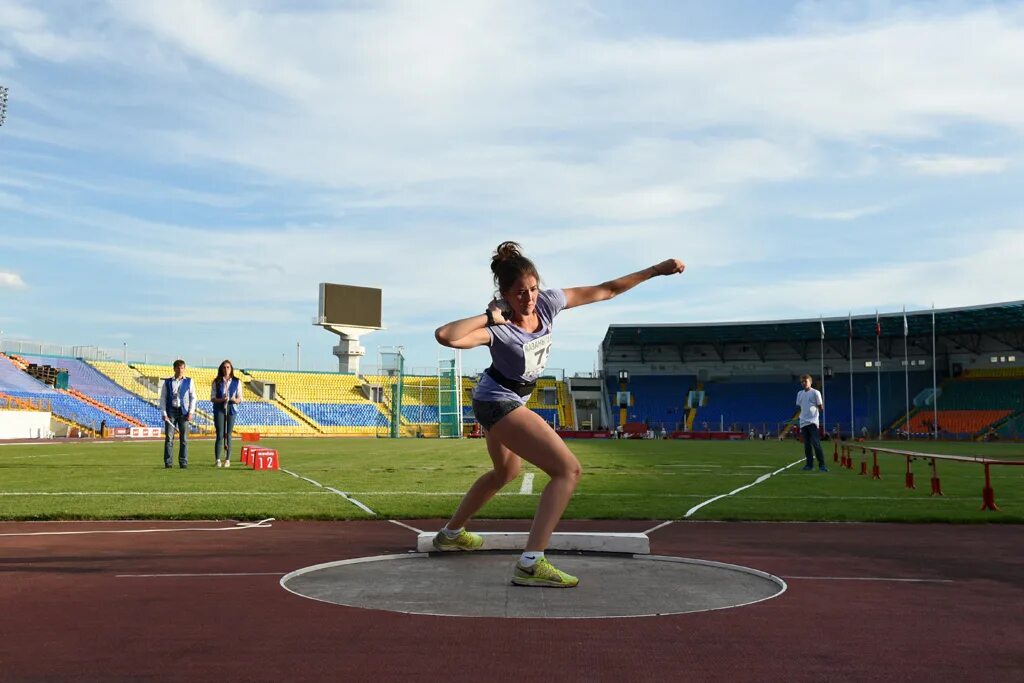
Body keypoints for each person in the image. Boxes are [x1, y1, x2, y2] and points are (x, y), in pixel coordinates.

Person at [432, 241, 685, 587]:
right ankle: (531, 563)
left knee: (506, 472)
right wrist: (489, 316)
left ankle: (451, 533)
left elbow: (606, 290)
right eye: (519, 293)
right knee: (568, 470)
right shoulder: (498, 327)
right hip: (496, 400)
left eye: (533, 289)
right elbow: (445, 336)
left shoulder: (549, 303)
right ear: (504, 294)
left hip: (508, 399)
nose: (529, 298)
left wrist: (655, 270)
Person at [158, 359, 196, 469]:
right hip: (171, 412)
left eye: (182, 368)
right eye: (178, 368)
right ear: (174, 368)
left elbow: (193, 398)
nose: (180, 370)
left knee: (184, 439)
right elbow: (163, 398)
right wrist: (164, 413)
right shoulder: (168, 382)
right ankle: (168, 462)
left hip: (184, 412)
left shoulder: (189, 381)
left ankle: (183, 462)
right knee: (169, 438)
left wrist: (191, 412)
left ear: (184, 369)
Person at [211, 359, 242, 468]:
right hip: (219, 408)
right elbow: (213, 398)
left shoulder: (237, 381)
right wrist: (221, 399)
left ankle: (227, 459)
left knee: (228, 434)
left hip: (231, 408)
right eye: (224, 367)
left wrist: (234, 399)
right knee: (220, 435)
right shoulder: (216, 381)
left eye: (228, 367)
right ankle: (218, 459)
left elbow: (240, 398)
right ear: (221, 369)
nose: (226, 369)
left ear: (231, 368)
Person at [796, 374, 826, 472]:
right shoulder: (799, 393)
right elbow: (800, 406)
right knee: (807, 445)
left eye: (806, 381)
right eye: (802, 382)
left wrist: (814, 409)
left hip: (812, 422)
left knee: (816, 443)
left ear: (810, 382)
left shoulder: (816, 393)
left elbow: (821, 407)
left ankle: (822, 465)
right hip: (803, 422)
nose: (804, 383)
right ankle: (809, 465)